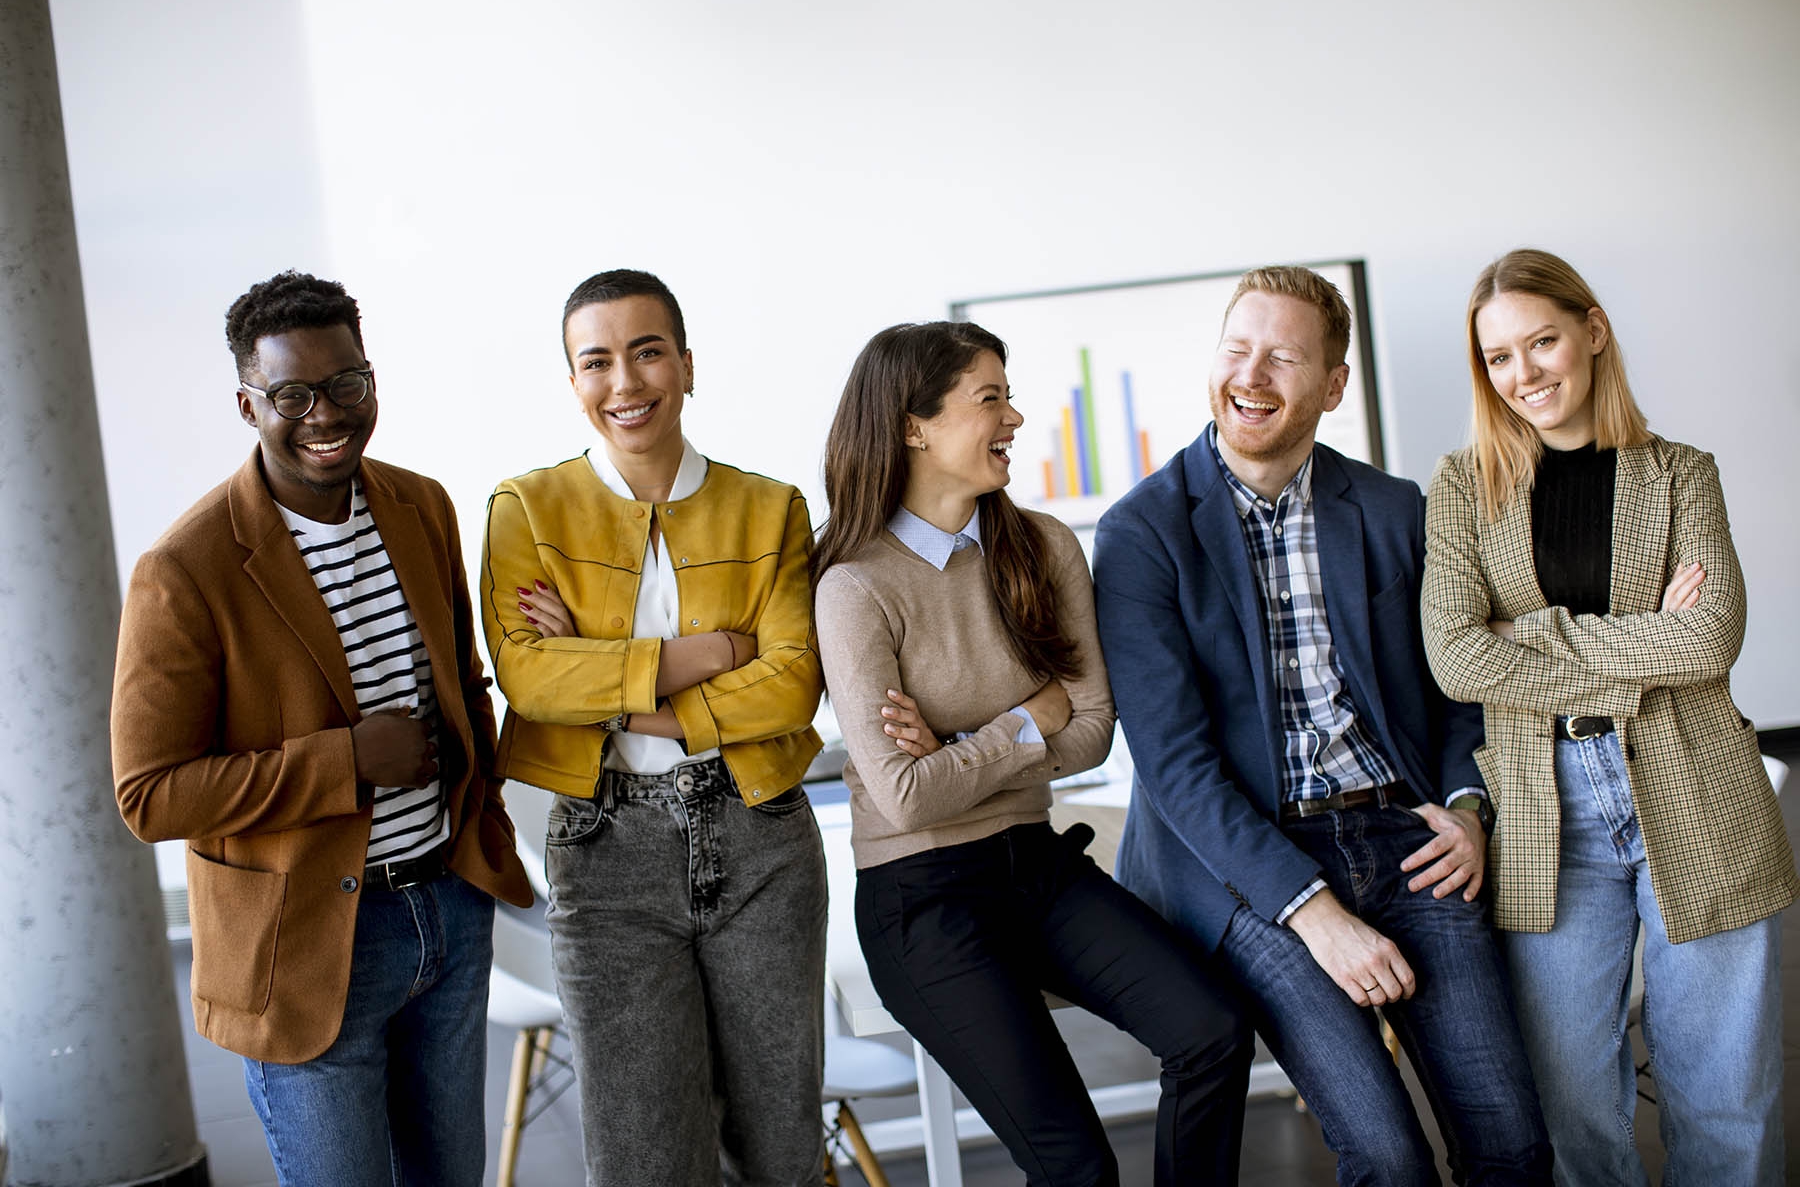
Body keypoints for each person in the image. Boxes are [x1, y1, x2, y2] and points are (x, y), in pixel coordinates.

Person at [1093, 266, 1553, 1185]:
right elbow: (1176, 766)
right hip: (1246, 864)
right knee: (1387, 1157)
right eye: (1237, 349)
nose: (1251, 376)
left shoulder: (1392, 510)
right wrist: (1317, 915)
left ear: (1333, 386)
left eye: (1283, 358)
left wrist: (1469, 808)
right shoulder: (1140, 533)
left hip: (1408, 833)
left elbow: (1458, 691)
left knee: (1512, 1145)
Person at [111, 270, 531, 1186]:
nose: (325, 412)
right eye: (291, 393)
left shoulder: (422, 506)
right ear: (246, 402)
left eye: (347, 383)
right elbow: (148, 796)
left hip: (446, 912)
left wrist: (479, 810)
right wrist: (345, 761)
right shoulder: (185, 569)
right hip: (306, 944)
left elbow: (458, 680)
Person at [811, 320, 1254, 1187]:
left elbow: (1090, 730)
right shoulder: (854, 586)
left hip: (1037, 868)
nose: (1015, 417)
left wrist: (958, 756)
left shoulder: (1045, 547)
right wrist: (1020, 724)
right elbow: (904, 799)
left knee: (1213, 1033)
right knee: (1077, 1167)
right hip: (923, 901)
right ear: (914, 425)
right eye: (991, 399)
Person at [1419, 248, 1798, 1185]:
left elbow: (1709, 643)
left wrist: (1534, 635)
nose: (1524, 374)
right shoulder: (1464, 487)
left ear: (1591, 331)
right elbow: (1457, 656)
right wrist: (1638, 645)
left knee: (1725, 1098)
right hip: (1548, 816)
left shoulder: (1681, 474)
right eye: (1499, 358)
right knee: (1575, 1107)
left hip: (1698, 791)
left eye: (1541, 341)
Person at [479, 269, 828, 1186]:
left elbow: (792, 687)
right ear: (572, 382)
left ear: (685, 364)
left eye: (646, 353)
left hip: (762, 837)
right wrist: (712, 649)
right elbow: (526, 673)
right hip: (604, 846)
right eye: (596, 362)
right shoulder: (527, 509)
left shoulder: (771, 507)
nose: (624, 383)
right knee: (641, 1154)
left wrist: (613, 688)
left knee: (779, 1146)